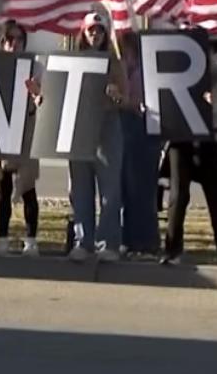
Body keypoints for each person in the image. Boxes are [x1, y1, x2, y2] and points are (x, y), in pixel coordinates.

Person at [163, 35, 217, 266]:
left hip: (211, 140)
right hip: (182, 139)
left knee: (216, 198)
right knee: (178, 196)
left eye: (207, 50)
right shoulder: (178, 74)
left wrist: (212, 105)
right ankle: (172, 250)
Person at [64, 14, 127, 263]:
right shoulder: (71, 61)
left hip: (107, 125)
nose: (95, 34)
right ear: (83, 33)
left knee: (109, 189)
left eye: (100, 30)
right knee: (80, 189)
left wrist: (116, 94)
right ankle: (82, 242)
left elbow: (126, 99)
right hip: (79, 127)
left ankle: (108, 243)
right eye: (91, 30)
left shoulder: (114, 63)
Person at [0, 21, 40, 256]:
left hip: (26, 132)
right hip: (2, 130)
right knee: (3, 184)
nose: (14, 43)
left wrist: (37, 94)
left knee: (27, 186)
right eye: (9, 39)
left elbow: (44, 98)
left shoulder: (35, 66)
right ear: (3, 42)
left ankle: (31, 240)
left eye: (18, 39)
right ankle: (2, 239)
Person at [118, 32, 162, 260]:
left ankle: (147, 242)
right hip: (123, 128)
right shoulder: (119, 67)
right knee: (124, 189)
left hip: (144, 130)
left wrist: (126, 102)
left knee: (142, 190)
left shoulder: (145, 70)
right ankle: (127, 239)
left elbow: (146, 101)